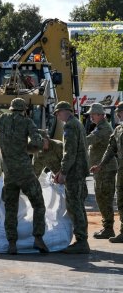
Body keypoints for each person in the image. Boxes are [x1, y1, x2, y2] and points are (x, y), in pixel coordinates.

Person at [0, 98, 49, 254]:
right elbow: (39, 144)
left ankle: (12, 243)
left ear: (11, 108)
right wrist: (27, 149)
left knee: (10, 209)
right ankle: (38, 238)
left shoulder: (1, 119)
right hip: (25, 172)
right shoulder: (28, 122)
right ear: (24, 109)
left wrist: (2, 135)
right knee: (38, 204)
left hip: (9, 173)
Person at [53, 101, 90, 254]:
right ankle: (83, 239)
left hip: (74, 172)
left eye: (57, 113)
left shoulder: (69, 126)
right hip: (80, 170)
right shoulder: (78, 124)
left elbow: (69, 152)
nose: (57, 117)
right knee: (79, 205)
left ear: (64, 111)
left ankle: (81, 241)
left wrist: (63, 172)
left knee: (74, 206)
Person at [91, 102, 123, 243]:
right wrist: (100, 165)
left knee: (108, 199)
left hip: (113, 170)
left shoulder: (107, 128)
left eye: (120, 112)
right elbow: (111, 150)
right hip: (120, 170)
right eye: (118, 112)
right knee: (120, 200)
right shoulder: (118, 130)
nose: (118, 114)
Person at [85, 103, 118, 239]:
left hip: (105, 169)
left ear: (100, 115)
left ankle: (109, 228)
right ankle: (107, 227)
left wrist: (75, 139)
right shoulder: (99, 127)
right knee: (101, 198)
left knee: (105, 199)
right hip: (101, 169)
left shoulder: (103, 128)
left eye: (93, 114)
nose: (91, 117)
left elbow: (88, 140)